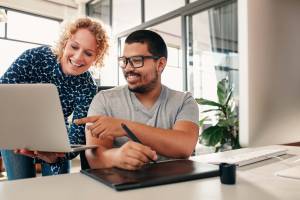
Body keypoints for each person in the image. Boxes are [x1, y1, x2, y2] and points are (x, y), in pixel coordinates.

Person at [0, 17, 109, 180]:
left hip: (55, 135)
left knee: (58, 185)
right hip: (18, 130)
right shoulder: (34, 57)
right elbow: (3, 92)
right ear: (65, 43)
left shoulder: (87, 86)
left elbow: (78, 133)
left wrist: (59, 154)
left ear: (96, 58)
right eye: (74, 46)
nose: (78, 57)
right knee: (21, 185)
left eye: (88, 53)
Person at [75, 30, 199, 170]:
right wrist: (116, 157)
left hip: (172, 186)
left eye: (136, 61)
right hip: (120, 187)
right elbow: (95, 158)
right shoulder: (104, 99)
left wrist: (125, 127)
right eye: (124, 61)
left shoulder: (184, 101)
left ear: (160, 64)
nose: (128, 68)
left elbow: (184, 147)